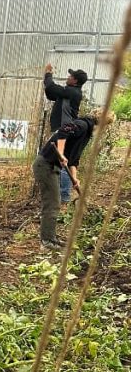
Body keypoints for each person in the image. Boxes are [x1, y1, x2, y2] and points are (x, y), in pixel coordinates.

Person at [32, 108, 113, 249]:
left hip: (52, 167)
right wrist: (61, 154)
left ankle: (51, 238)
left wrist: (75, 179)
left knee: (54, 203)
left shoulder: (86, 134)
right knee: (53, 203)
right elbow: (63, 131)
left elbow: (74, 160)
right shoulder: (82, 125)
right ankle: (47, 241)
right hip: (45, 165)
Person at [43, 64, 87, 204]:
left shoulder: (72, 92)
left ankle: (65, 197)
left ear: (75, 81)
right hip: (62, 130)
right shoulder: (69, 92)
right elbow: (51, 93)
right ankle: (61, 195)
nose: (68, 77)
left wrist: (48, 73)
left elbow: (51, 87)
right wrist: (48, 84)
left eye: (70, 76)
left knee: (64, 162)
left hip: (64, 131)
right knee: (60, 162)